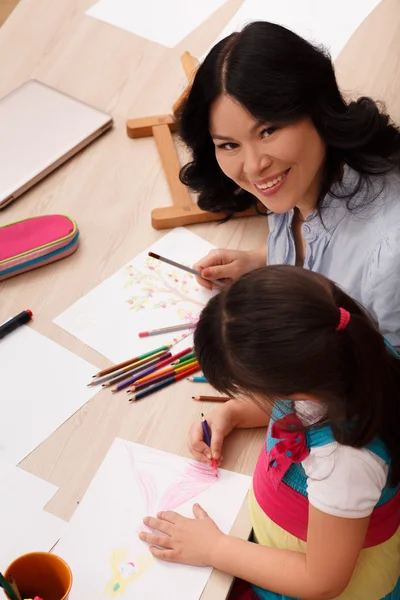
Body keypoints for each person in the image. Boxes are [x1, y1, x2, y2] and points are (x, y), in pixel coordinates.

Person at [138, 265, 400, 600]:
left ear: (290, 384)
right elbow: (298, 405)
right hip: (288, 542)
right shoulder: (345, 347)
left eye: (254, 390)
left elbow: (321, 582)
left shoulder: (343, 463)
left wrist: (215, 548)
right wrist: (232, 413)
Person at [176, 21, 400, 346]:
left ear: (315, 107)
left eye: (268, 131)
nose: (254, 167)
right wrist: (261, 258)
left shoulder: (390, 256)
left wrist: (275, 398)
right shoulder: (299, 181)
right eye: (229, 145)